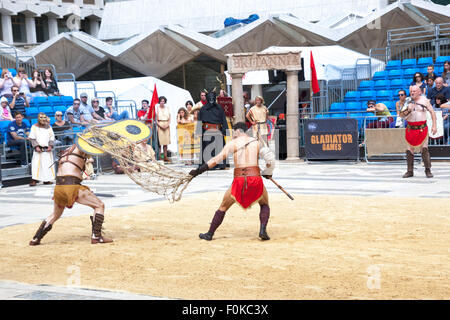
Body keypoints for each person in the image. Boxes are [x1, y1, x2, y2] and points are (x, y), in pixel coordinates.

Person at [189, 122, 275, 241]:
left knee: (223, 206)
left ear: (238, 131)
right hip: (255, 178)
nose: (233, 135)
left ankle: (209, 234)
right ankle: (262, 230)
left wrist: (199, 170)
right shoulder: (257, 142)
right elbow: (270, 159)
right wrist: (267, 172)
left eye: (233, 132)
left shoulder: (232, 144)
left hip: (239, 180)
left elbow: (215, 160)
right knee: (264, 204)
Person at [29, 143, 113, 245]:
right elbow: (99, 150)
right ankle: (97, 236)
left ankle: (36, 238)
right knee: (99, 205)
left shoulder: (67, 150)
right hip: (72, 185)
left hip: (59, 187)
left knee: (55, 214)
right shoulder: (81, 148)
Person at [399, 85, 437, 178]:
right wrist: (408, 110)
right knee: (409, 150)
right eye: (411, 91)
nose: (412, 93)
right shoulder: (407, 101)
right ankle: (410, 171)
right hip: (410, 128)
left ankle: (428, 170)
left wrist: (434, 126)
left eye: (414, 91)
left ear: (419, 92)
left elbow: (432, 112)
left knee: (424, 149)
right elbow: (401, 115)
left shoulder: (425, 100)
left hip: (422, 128)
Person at [198, 91, 229, 170]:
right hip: (206, 131)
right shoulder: (203, 109)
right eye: (210, 98)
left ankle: (221, 165)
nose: (211, 100)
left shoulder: (219, 108)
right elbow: (199, 121)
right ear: (207, 99)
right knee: (207, 149)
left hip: (218, 131)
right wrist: (199, 132)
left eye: (213, 98)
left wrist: (225, 132)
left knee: (219, 148)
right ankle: (208, 165)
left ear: (215, 99)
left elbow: (224, 120)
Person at [28, 113, 56, 186]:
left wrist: (50, 145)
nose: (43, 119)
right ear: (38, 118)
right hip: (38, 149)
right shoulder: (34, 127)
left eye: (44, 117)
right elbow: (32, 138)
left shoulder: (49, 127)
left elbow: (52, 137)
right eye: (41, 117)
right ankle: (34, 180)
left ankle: (46, 180)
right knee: (36, 165)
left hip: (47, 149)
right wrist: (36, 146)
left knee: (47, 165)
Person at [156, 96, 171, 163]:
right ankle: (159, 156)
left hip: (166, 124)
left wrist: (167, 124)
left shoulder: (167, 108)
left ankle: (165, 156)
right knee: (160, 142)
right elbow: (156, 119)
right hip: (160, 125)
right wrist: (160, 125)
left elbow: (170, 117)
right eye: (161, 101)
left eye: (163, 101)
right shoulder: (157, 108)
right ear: (159, 101)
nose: (162, 102)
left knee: (166, 142)